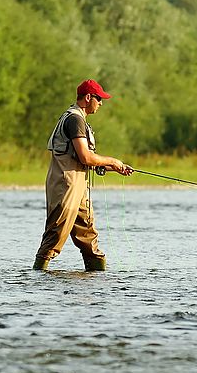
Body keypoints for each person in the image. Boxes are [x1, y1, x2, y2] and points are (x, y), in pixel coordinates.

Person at [33, 79, 133, 271]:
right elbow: (86, 157)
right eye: (99, 98)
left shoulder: (79, 119)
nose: (101, 103)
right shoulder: (74, 119)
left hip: (78, 186)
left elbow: (84, 159)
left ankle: (97, 273)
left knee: (88, 235)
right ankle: (38, 277)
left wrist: (117, 167)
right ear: (88, 97)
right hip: (65, 185)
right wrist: (112, 161)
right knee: (56, 232)